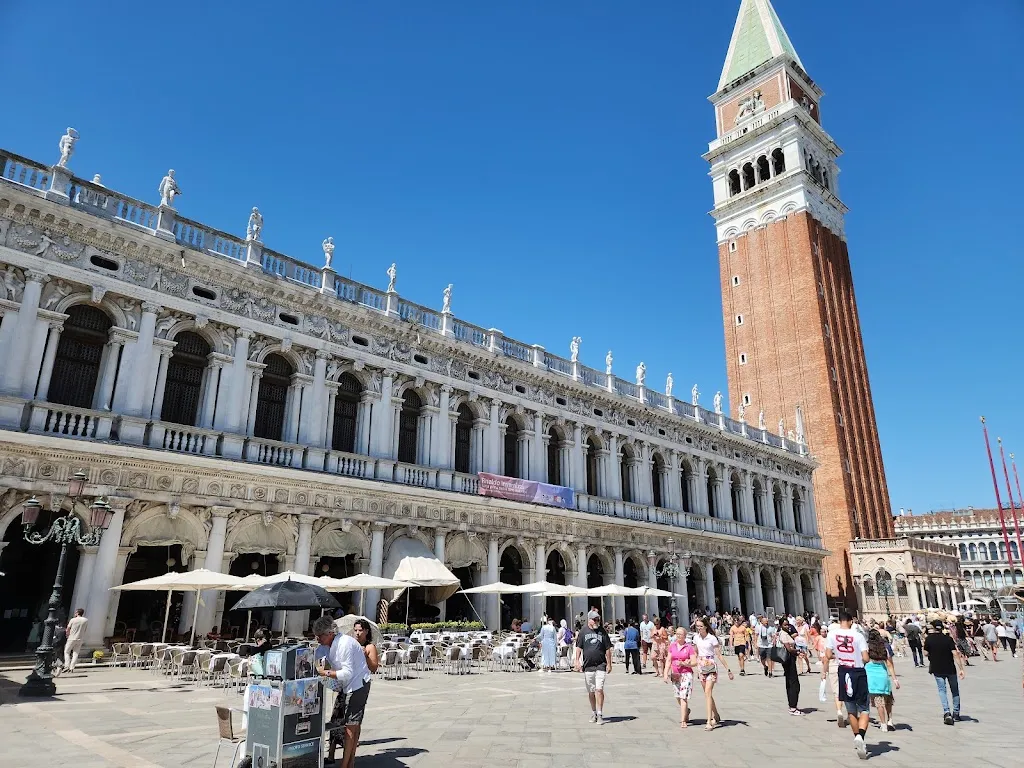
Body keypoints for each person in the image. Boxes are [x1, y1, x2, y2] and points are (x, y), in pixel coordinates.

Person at [313, 616, 372, 768]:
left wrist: (325, 673)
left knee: (351, 726)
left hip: (357, 685)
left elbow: (347, 673)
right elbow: (321, 656)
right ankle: (350, 762)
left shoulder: (344, 643)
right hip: (347, 685)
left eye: (320, 635)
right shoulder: (330, 643)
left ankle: (345, 765)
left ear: (330, 633)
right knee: (351, 725)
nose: (317, 638)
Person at [821, 610, 871, 760]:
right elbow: (866, 658)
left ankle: (856, 736)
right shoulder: (858, 635)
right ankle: (861, 736)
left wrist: (840, 655)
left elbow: (828, 656)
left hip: (843, 672)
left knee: (850, 710)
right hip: (858, 672)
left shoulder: (831, 635)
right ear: (850, 621)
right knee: (864, 709)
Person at [692, 617, 733, 731]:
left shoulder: (712, 638)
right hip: (701, 666)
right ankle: (716, 715)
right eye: (697, 626)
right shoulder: (696, 638)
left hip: (710, 665)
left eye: (700, 626)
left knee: (707, 692)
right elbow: (694, 653)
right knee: (707, 694)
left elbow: (719, 655)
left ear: (705, 626)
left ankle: (709, 721)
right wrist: (692, 665)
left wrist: (728, 669)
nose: (699, 628)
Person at [923, 619, 965, 725]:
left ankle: (947, 712)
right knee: (955, 690)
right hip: (950, 668)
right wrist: (961, 668)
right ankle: (956, 713)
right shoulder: (948, 639)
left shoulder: (929, 639)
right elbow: (955, 654)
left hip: (937, 668)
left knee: (942, 690)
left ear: (933, 628)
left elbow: (925, 653)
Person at [574, 610, 612, 724]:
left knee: (599, 689)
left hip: (601, 664)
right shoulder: (583, 632)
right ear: (589, 620)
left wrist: (609, 663)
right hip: (588, 665)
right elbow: (579, 647)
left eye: (598, 619)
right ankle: (594, 712)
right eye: (594, 619)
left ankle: (600, 714)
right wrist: (577, 661)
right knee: (591, 691)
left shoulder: (602, 632)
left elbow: (608, 648)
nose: (596, 621)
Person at [663, 625, 697, 727]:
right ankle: (686, 710)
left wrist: (685, 664)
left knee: (683, 697)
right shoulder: (672, 646)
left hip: (686, 674)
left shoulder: (689, 647)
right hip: (675, 674)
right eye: (676, 633)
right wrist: (665, 673)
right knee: (677, 696)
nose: (678, 636)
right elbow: (669, 660)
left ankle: (683, 720)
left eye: (680, 634)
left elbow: (694, 662)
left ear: (685, 636)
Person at [866, 628, 900, 732]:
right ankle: (890, 720)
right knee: (888, 699)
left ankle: (883, 723)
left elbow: (864, 660)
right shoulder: (884, 648)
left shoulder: (867, 648)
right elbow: (889, 664)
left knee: (878, 701)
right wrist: (895, 679)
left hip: (871, 675)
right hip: (883, 674)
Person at [776, 621, 802, 716]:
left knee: (791, 683)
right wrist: (798, 651)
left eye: (788, 624)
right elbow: (789, 649)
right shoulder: (783, 634)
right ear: (781, 625)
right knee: (793, 683)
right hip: (788, 659)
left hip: (790, 659)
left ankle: (792, 706)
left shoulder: (786, 633)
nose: (787, 626)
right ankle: (792, 707)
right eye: (785, 625)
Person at [63, 608, 88, 673]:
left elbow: (68, 629)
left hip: (72, 638)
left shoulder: (73, 620)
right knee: (75, 653)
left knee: (66, 652)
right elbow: (85, 629)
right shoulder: (85, 620)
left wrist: (67, 635)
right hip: (80, 638)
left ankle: (67, 666)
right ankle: (72, 667)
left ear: (77, 613)